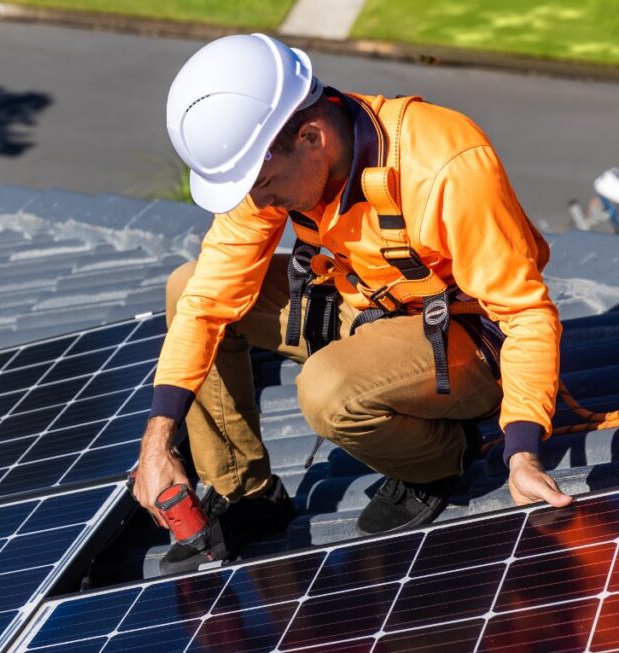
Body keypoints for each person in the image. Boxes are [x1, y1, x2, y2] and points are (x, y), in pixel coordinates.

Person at [131, 33, 571, 575]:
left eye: (264, 184)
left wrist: (522, 450)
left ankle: (438, 458)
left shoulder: (445, 165)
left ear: (312, 137)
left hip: (466, 343)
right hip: (365, 308)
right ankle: (246, 492)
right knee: (187, 284)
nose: (260, 203)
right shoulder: (279, 164)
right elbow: (205, 302)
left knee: (327, 389)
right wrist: (157, 442)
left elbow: (525, 316)